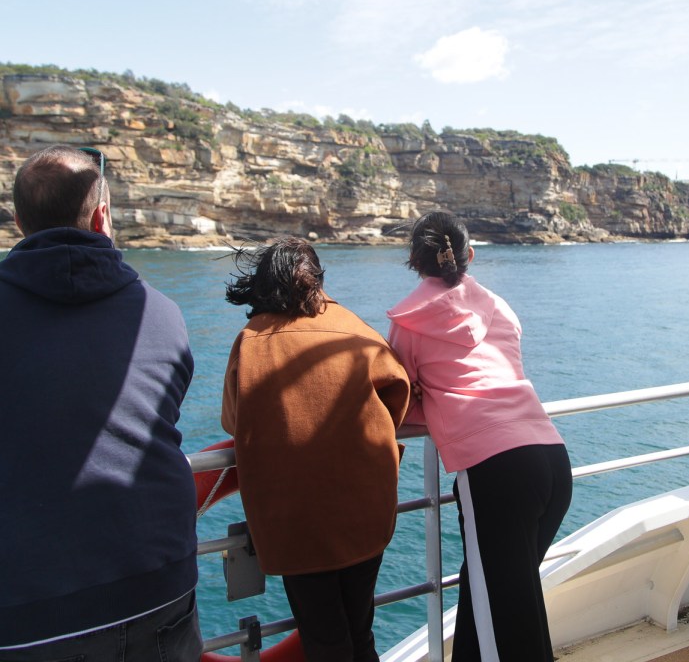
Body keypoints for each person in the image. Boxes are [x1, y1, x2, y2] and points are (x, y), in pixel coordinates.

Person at [0, 145, 201, 661]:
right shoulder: (160, 312)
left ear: (19, 220)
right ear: (101, 216)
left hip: (28, 609)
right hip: (159, 579)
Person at [386, 211, 572, 662]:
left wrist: (428, 402)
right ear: (469, 255)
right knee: (495, 597)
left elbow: (399, 401)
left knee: (510, 626)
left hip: (496, 471)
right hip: (550, 458)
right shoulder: (499, 306)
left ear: (414, 261)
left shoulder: (408, 323)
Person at [221, 237, 410, 662]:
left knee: (324, 637)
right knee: (360, 630)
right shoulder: (356, 328)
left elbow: (234, 420)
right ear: (318, 279)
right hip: (365, 503)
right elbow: (398, 394)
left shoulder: (251, 340)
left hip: (295, 517)